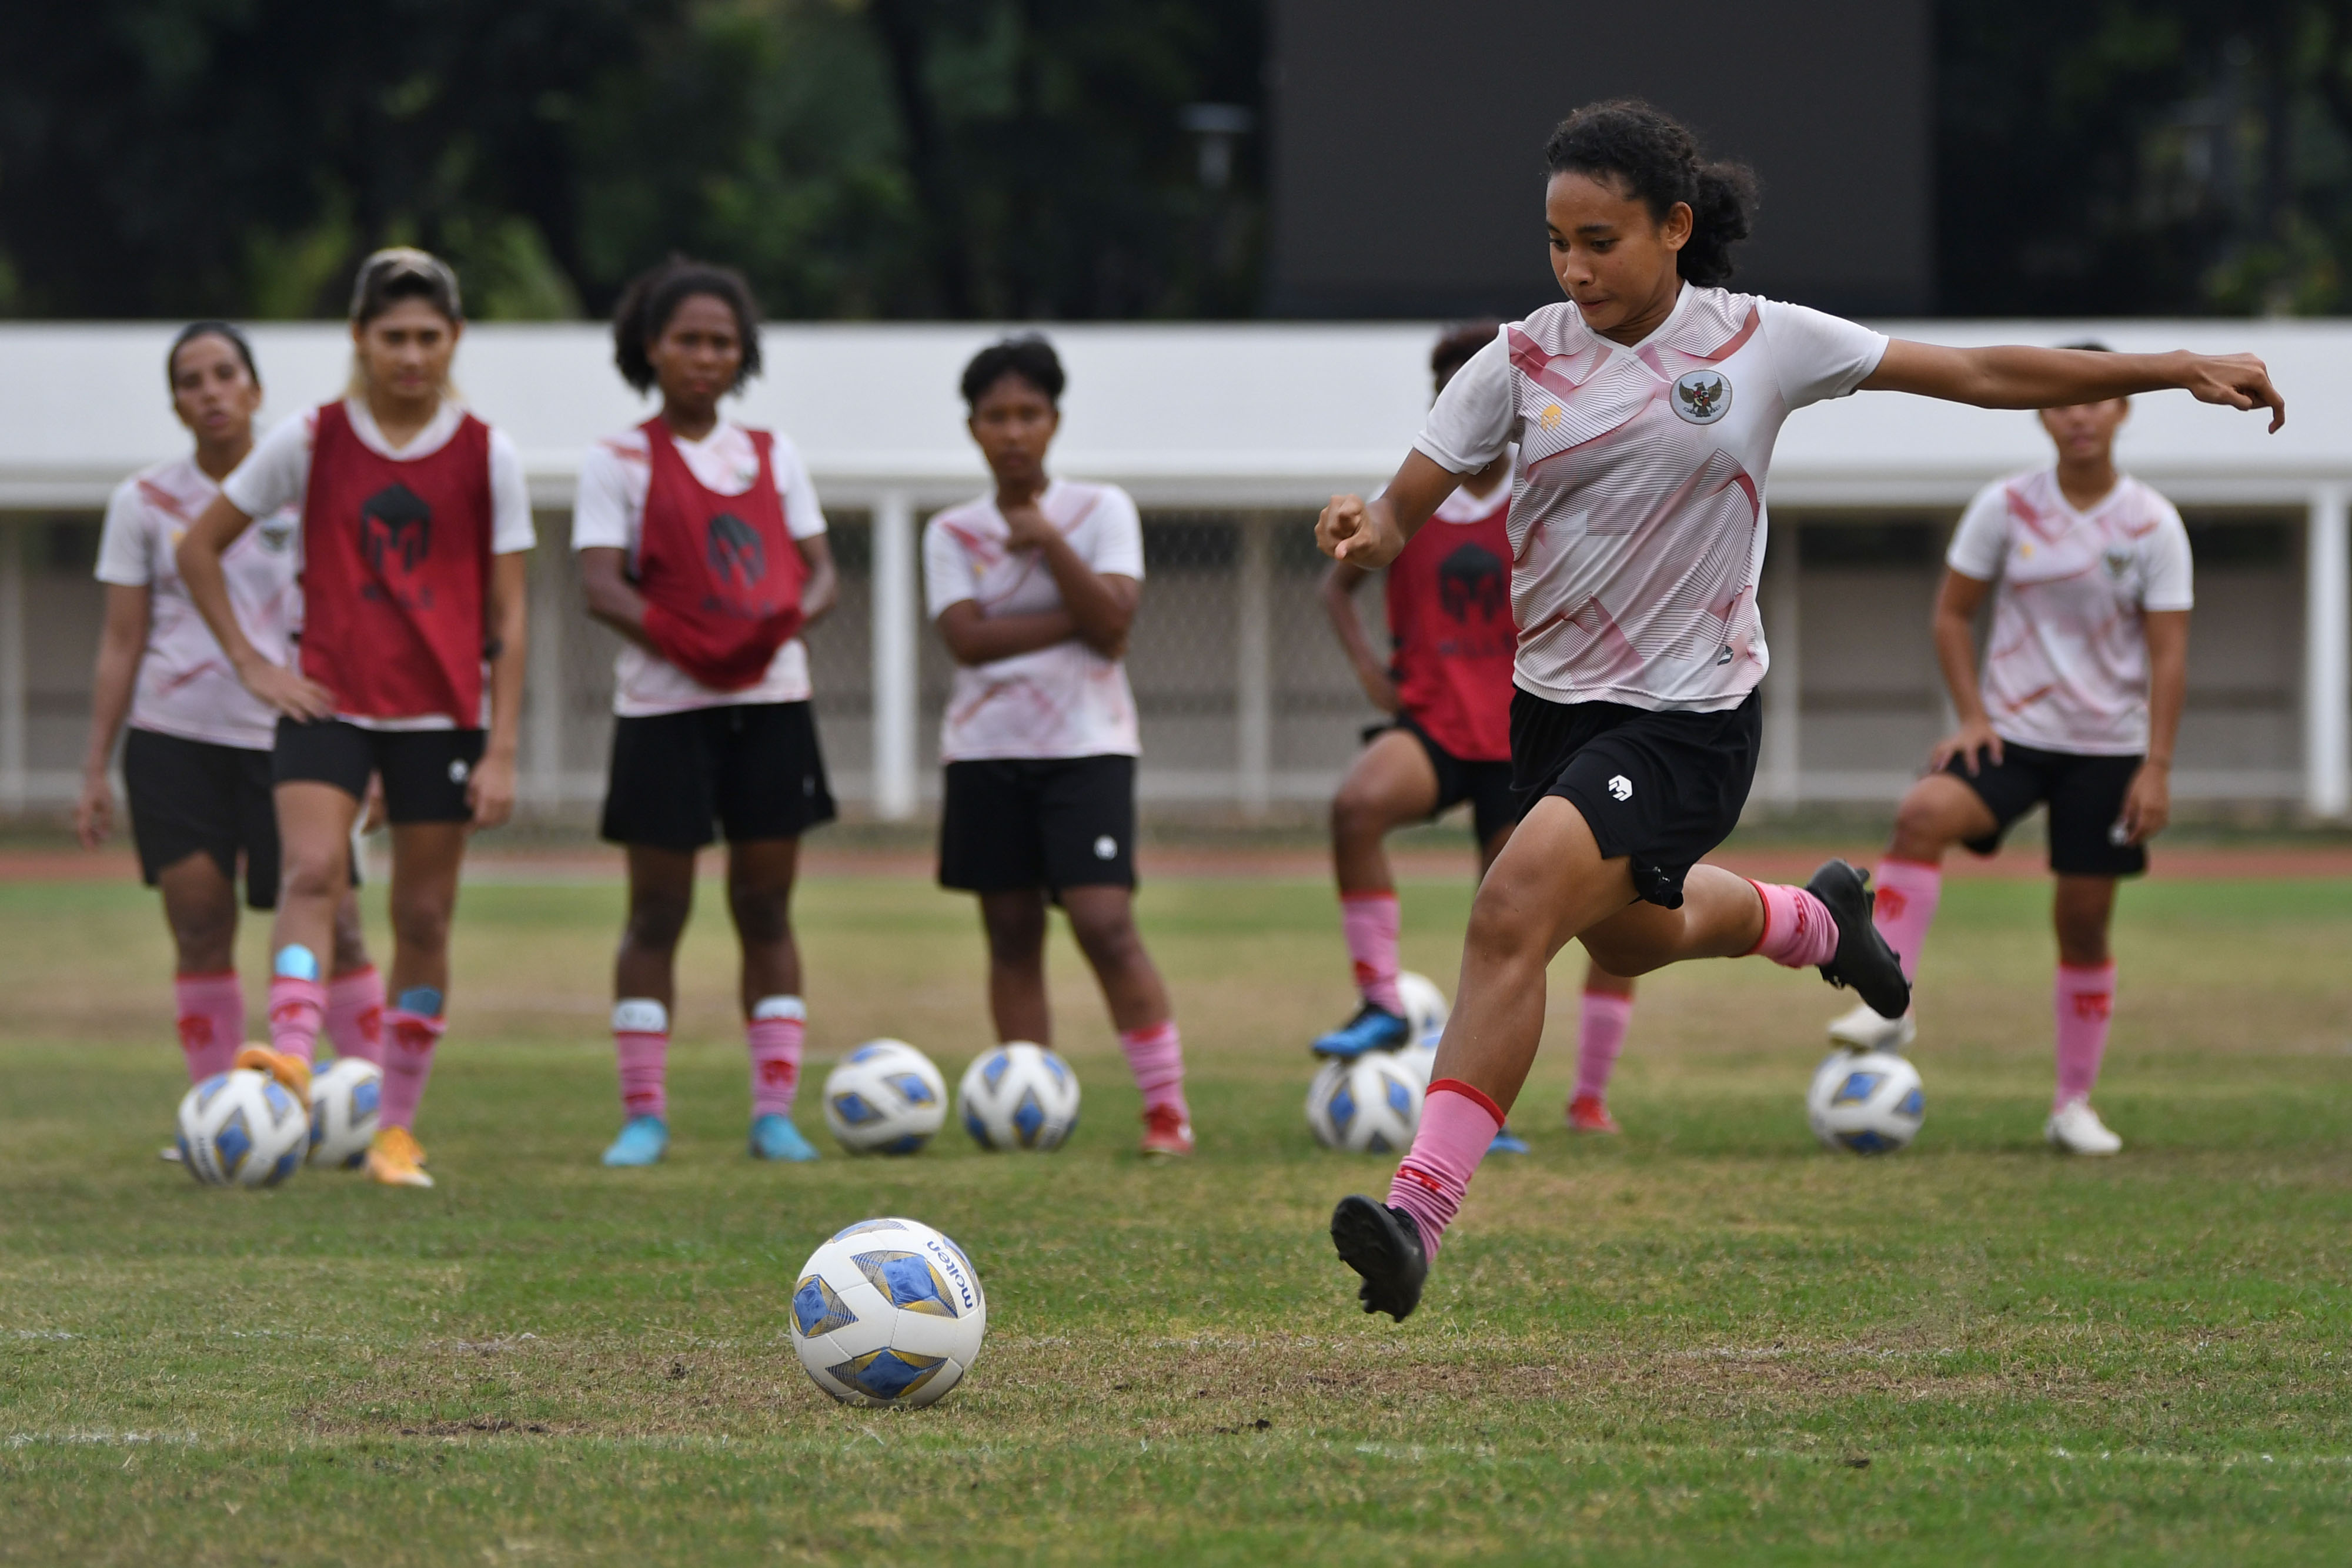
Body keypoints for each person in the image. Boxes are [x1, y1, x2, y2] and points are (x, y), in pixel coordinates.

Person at [1315, 100, 2283, 1321]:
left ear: (1673, 227)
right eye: (1556, 240)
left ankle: (1414, 1216)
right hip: (1551, 714)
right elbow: (1406, 504)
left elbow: (1980, 373)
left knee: (1509, 904)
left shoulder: (1761, 343)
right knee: (1624, 936)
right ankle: (1814, 921)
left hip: (1687, 719)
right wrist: (1365, 523)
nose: (1572, 267)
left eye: (1599, 239)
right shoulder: (1517, 359)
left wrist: (2166, 364)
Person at [178, 249, 534, 1189]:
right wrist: (254, 663)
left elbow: (510, 617)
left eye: (427, 337)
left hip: (442, 717)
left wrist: (501, 748)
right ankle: (290, 1053)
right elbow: (197, 547)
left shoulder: (487, 452)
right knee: (311, 870)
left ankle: (395, 1129)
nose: (410, 355)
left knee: (423, 915)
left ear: (452, 340)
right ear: (360, 340)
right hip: (329, 701)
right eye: (392, 337)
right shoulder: (310, 438)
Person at [1825, 344, 2189, 1157]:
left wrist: (2156, 766)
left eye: (2097, 402)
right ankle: (1894, 998)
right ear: (2045, 411)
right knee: (1923, 813)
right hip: (2015, 737)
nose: (2081, 415)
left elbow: (2169, 652)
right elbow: (1951, 615)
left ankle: (2072, 1106)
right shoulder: (2005, 507)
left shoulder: (2152, 523)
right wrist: (1973, 714)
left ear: (2121, 410)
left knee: (2084, 925)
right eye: (2065, 402)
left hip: (2108, 751)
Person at [1315, 321, 1633, 1147]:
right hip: (1434, 727)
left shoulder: (1547, 496)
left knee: (1507, 925)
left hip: (1526, 741)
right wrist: (1371, 673)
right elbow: (1335, 585)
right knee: (1356, 807)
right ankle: (1383, 1004)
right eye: (1450, 397)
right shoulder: (1411, 503)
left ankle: (1482, 1111)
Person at [573, 258, 840, 1167]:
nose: (704, 356)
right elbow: (599, 585)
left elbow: (822, 571)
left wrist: (775, 630)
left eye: (722, 342)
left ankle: (774, 1114)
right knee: (657, 911)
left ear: (743, 355)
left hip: (769, 702)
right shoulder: (616, 459)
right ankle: (642, 1114)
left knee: (766, 906)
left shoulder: (773, 454)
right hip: (664, 706)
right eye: (687, 339)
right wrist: (686, 640)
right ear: (651, 347)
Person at [78, 323, 382, 1116]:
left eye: (224, 375)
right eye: (191, 380)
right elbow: (120, 642)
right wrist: (93, 769)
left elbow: (354, 620)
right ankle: (221, 1114)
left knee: (339, 924)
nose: (209, 392)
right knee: (200, 926)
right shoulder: (143, 502)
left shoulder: (310, 490)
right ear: (176, 402)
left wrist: (371, 750)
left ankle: (372, 1111)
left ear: (254, 390)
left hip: (297, 738)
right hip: (173, 738)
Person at [925, 335, 1194, 1159]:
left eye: (1028, 415)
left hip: (1087, 746)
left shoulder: (1099, 510)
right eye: (996, 417)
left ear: (1054, 421)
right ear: (972, 428)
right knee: (1010, 932)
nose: (1013, 432)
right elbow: (966, 641)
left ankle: (1166, 1112)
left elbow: (1116, 623)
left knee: (1104, 922)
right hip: (985, 749)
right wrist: (1081, 617)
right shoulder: (951, 531)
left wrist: (1046, 540)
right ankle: (1025, 1109)